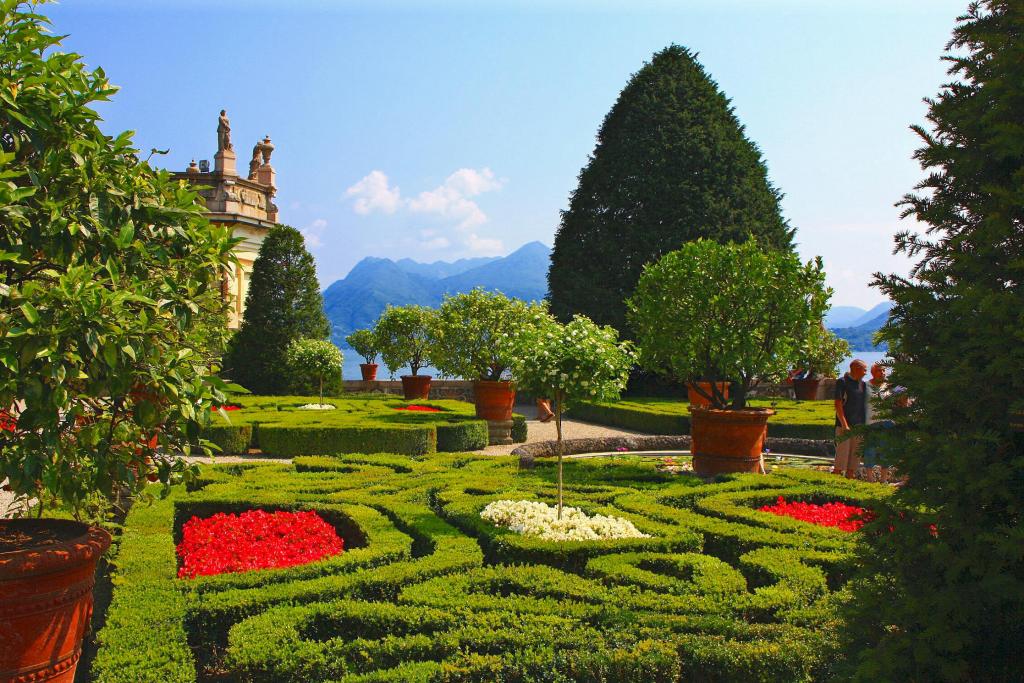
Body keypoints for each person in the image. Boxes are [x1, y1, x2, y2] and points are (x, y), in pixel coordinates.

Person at [834, 359, 868, 478]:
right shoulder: (842, 382)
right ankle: (835, 481)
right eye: (864, 370)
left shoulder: (862, 384)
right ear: (856, 369)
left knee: (854, 458)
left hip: (859, 424)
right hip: (845, 425)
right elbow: (838, 404)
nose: (866, 372)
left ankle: (849, 479)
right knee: (841, 456)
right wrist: (844, 424)